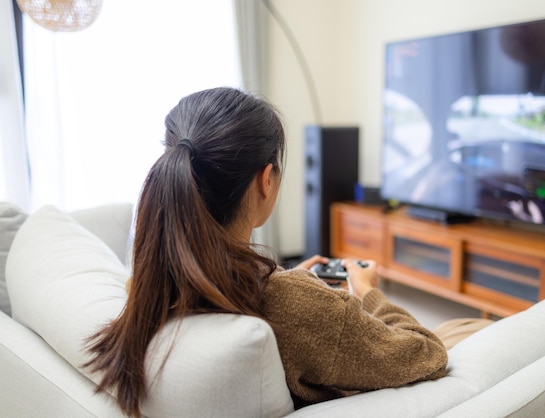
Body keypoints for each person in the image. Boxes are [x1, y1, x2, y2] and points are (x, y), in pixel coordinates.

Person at [85, 87, 458, 417]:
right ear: (266, 180)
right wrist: (367, 292)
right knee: (466, 327)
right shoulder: (299, 307)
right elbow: (429, 355)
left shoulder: (146, 285)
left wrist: (290, 279)